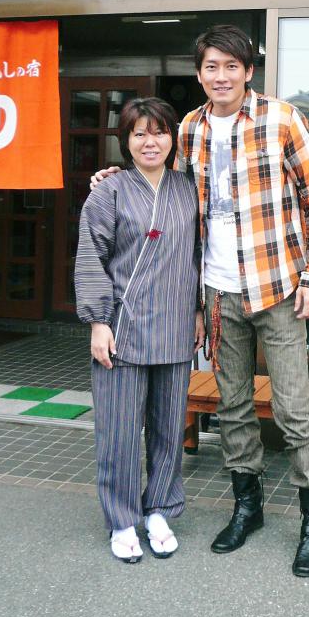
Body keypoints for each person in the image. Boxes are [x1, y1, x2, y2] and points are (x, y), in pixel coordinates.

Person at [92, 25, 309, 577]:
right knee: (233, 407)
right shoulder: (189, 127)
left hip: (277, 287)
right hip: (218, 290)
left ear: (248, 71)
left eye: (231, 66)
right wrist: (115, 178)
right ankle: (247, 507)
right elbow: (168, 195)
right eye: (210, 66)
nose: (220, 76)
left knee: (294, 408)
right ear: (198, 73)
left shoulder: (282, 118)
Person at [76, 97, 204, 564]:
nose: (151, 142)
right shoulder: (108, 191)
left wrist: (198, 311)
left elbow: (197, 256)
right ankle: (122, 519)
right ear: (125, 140)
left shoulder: (189, 189)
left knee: (169, 429)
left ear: (173, 138)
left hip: (175, 325)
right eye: (139, 133)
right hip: (122, 329)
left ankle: (160, 512)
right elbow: (91, 257)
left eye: (160, 132)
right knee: (119, 432)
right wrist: (97, 323)